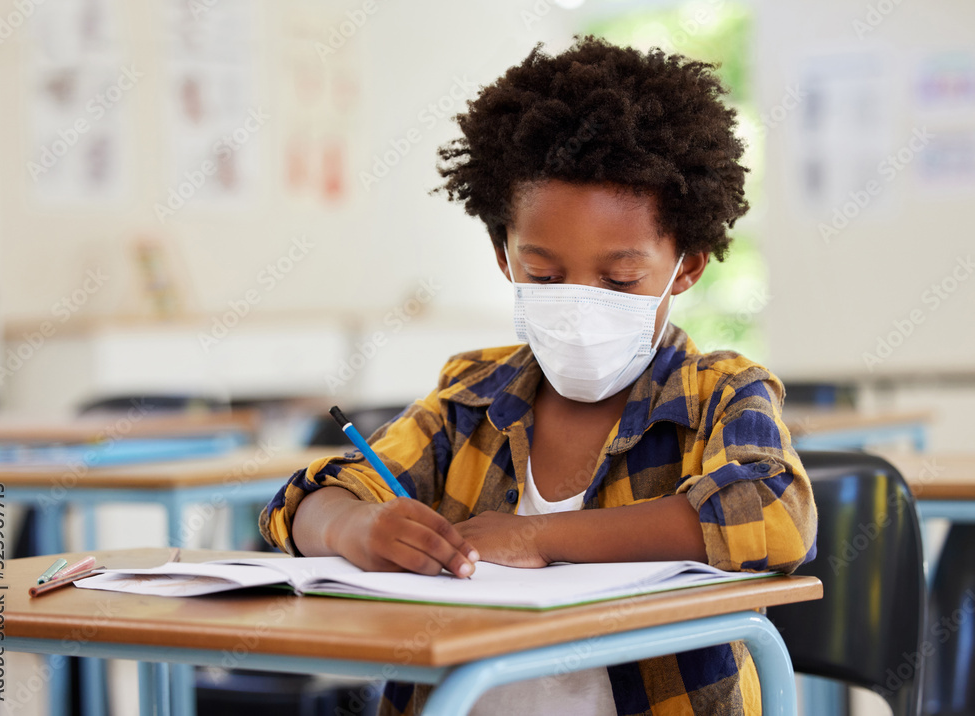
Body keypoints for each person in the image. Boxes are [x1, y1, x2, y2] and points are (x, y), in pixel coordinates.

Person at [260, 35, 817, 716]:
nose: (580, 302)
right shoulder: (470, 397)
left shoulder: (718, 394)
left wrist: (537, 536)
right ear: (503, 255)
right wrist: (352, 527)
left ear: (688, 266)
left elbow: (774, 514)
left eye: (620, 278)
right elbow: (307, 500)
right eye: (544, 275)